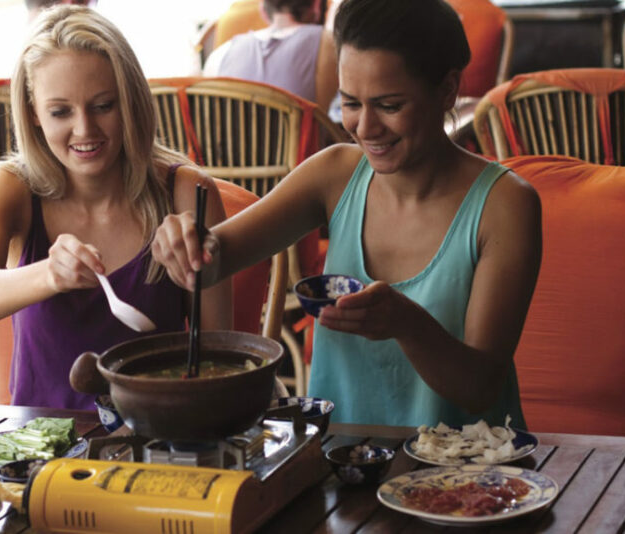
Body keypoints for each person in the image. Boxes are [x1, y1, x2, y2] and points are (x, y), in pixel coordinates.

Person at [153, 0, 542, 429]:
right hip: (339, 468)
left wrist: (406, 324)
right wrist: (187, 244)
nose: (365, 127)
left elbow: (480, 390)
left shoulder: (505, 205)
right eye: (351, 103)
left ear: (448, 89)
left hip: (468, 479)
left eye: (390, 105)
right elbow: (217, 258)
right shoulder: (334, 173)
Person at [0, 5, 232, 410]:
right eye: (60, 111)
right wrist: (50, 273)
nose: (84, 130)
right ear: (33, 112)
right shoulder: (9, 189)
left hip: (158, 444)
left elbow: (219, 358)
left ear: (130, 100)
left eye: (103, 105)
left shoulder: (186, 193)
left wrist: (202, 262)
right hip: (43, 453)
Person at [203, 0, 338, 114]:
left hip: (230, 145)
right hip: (307, 145)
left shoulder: (221, 52)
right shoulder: (329, 43)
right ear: (316, 5)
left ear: (263, 9)